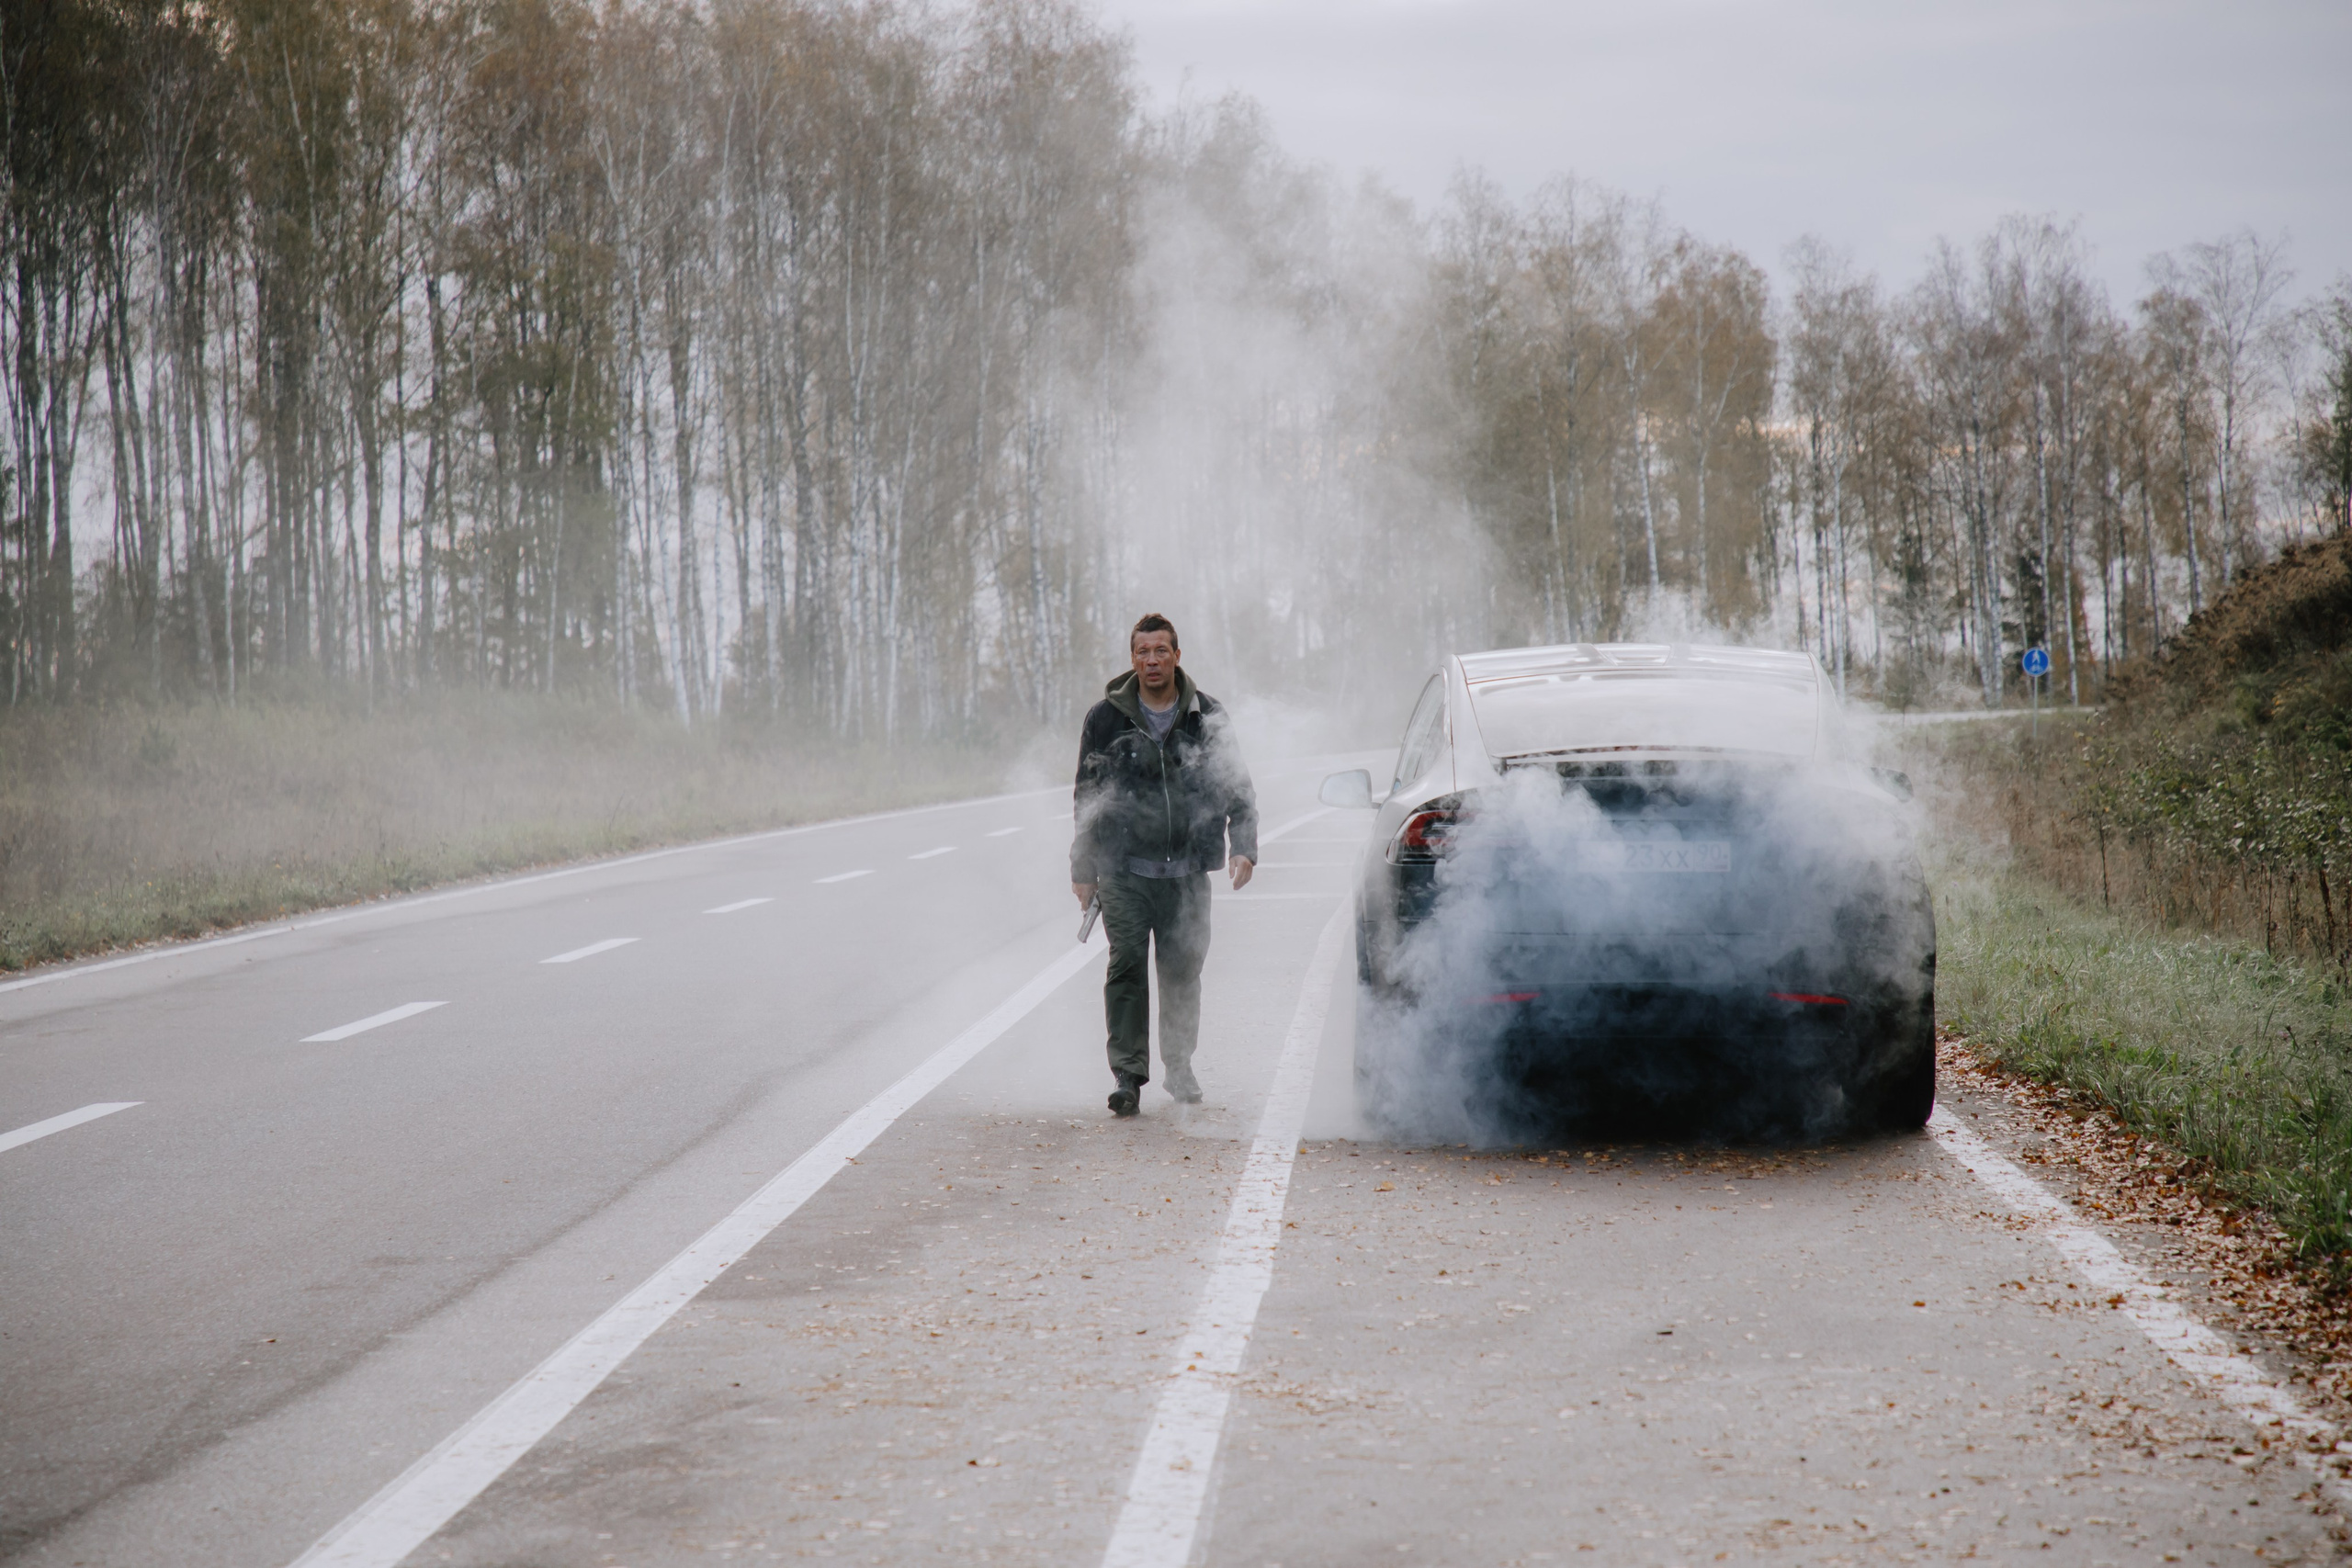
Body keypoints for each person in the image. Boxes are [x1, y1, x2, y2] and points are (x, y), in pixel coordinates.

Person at [1071, 614, 1258, 1116]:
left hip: (1187, 874)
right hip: (1124, 870)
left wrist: (1243, 844)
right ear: (1132, 659)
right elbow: (1087, 797)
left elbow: (1237, 785)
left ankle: (1179, 1066)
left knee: (1182, 972)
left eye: (1160, 651)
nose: (1152, 660)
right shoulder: (1105, 719)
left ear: (1177, 656)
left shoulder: (1206, 715)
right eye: (1142, 652)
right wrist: (1082, 869)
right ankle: (1128, 1076)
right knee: (1126, 968)